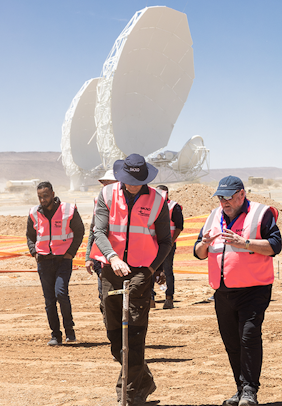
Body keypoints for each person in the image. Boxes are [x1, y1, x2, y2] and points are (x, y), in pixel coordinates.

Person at [91, 153, 172, 406]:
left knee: (134, 333)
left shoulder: (158, 201)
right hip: (110, 269)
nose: (132, 184)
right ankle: (144, 378)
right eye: (128, 179)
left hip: (140, 272)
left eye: (137, 180)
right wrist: (112, 257)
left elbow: (165, 241)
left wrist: (150, 270)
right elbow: (99, 231)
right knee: (116, 335)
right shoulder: (106, 196)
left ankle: (128, 393)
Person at [195, 176, 282, 406]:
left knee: (248, 337)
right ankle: (240, 388)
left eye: (229, 197)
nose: (224, 201)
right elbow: (199, 252)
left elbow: (275, 246)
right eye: (221, 197)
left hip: (254, 290)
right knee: (232, 342)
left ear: (242, 195)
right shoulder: (213, 216)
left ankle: (250, 390)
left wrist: (245, 243)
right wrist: (203, 244)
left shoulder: (261, 214)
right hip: (223, 292)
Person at [27, 181, 84, 346]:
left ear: (52, 194)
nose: (43, 200)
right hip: (44, 261)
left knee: (61, 293)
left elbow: (79, 231)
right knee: (49, 300)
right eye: (40, 197)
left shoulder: (68, 210)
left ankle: (69, 330)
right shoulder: (33, 212)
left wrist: (70, 253)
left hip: (62, 261)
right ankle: (55, 335)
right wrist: (34, 252)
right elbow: (30, 235)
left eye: (45, 196)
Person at [86, 170, 119, 315]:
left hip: (120, 256)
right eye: (103, 183)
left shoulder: (126, 205)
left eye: (108, 183)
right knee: (104, 295)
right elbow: (93, 231)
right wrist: (88, 257)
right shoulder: (99, 201)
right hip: (101, 258)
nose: (104, 185)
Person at [152, 184, 184, 310]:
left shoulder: (173, 206)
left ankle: (169, 298)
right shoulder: (153, 206)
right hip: (153, 243)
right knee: (150, 270)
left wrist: (172, 241)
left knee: (167, 270)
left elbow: (179, 226)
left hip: (167, 244)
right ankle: (150, 298)